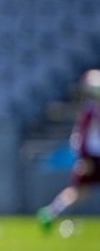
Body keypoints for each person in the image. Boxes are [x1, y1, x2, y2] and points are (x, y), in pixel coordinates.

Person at [37, 69, 100, 232]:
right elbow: (82, 135)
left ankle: (51, 212)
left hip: (91, 155)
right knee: (79, 192)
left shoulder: (91, 110)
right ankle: (51, 212)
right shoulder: (91, 111)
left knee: (80, 192)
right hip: (92, 156)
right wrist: (84, 155)